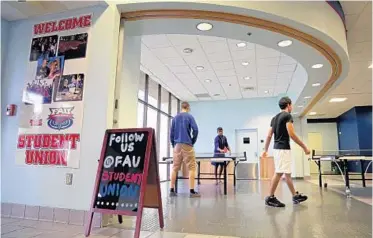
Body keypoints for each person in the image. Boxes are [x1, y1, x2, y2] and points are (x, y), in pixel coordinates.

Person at [262, 96, 310, 207]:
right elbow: (291, 134)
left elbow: (269, 135)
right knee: (279, 172)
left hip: (278, 149)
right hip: (283, 149)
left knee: (287, 173)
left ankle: (294, 196)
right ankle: (270, 197)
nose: (291, 107)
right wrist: (304, 147)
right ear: (288, 105)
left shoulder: (274, 118)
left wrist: (265, 150)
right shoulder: (287, 116)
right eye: (291, 105)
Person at [169, 101, 200, 198]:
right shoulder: (189, 117)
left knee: (175, 168)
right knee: (192, 168)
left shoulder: (175, 118)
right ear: (188, 108)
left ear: (181, 107)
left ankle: (172, 190)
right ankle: (191, 191)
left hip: (177, 145)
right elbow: (196, 130)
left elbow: (171, 133)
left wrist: (173, 144)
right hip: (187, 144)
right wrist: (192, 141)